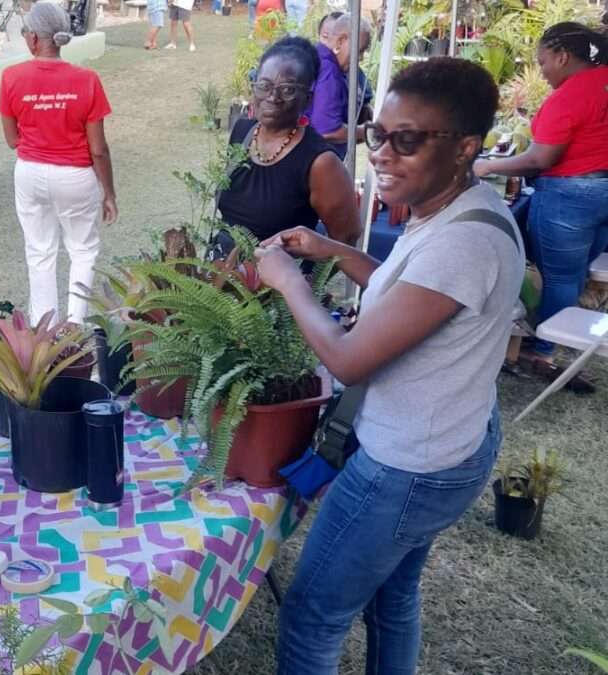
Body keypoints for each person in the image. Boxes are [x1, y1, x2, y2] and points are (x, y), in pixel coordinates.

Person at [255, 58, 523, 674]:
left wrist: (289, 281)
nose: (381, 152)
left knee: (312, 618)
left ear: (465, 147)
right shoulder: (457, 208)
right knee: (391, 597)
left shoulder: (464, 241)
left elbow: (348, 358)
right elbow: (409, 296)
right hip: (450, 440)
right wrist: (331, 249)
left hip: (407, 465)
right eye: (378, 134)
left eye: (407, 140)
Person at [475, 22, 608, 362]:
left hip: (571, 195)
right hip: (601, 192)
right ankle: (561, 338)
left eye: (543, 62)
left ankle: (545, 350)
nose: (543, 71)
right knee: (576, 270)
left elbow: (539, 159)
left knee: (559, 276)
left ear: (562, 57)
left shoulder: (570, 95)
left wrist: (487, 167)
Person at [0, 2, 117, 325]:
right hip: (76, 176)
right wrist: (108, 193)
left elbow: (11, 139)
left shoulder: (11, 77)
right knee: (82, 251)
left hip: (30, 173)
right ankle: (75, 329)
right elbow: (98, 149)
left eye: (26, 32)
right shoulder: (87, 79)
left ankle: (44, 333)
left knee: (39, 253)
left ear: (34, 39)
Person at [217, 37, 360, 246]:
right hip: (218, 264)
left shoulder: (320, 163)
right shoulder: (242, 132)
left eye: (288, 89)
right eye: (264, 85)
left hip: (275, 268)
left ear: (308, 99)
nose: (273, 97)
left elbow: (346, 239)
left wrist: (295, 267)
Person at [308, 13, 372, 160]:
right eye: (360, 51)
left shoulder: (319, 59)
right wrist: (365, 131)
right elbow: (327, 130)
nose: (361, 58)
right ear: (341, 41)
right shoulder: (328, 70)